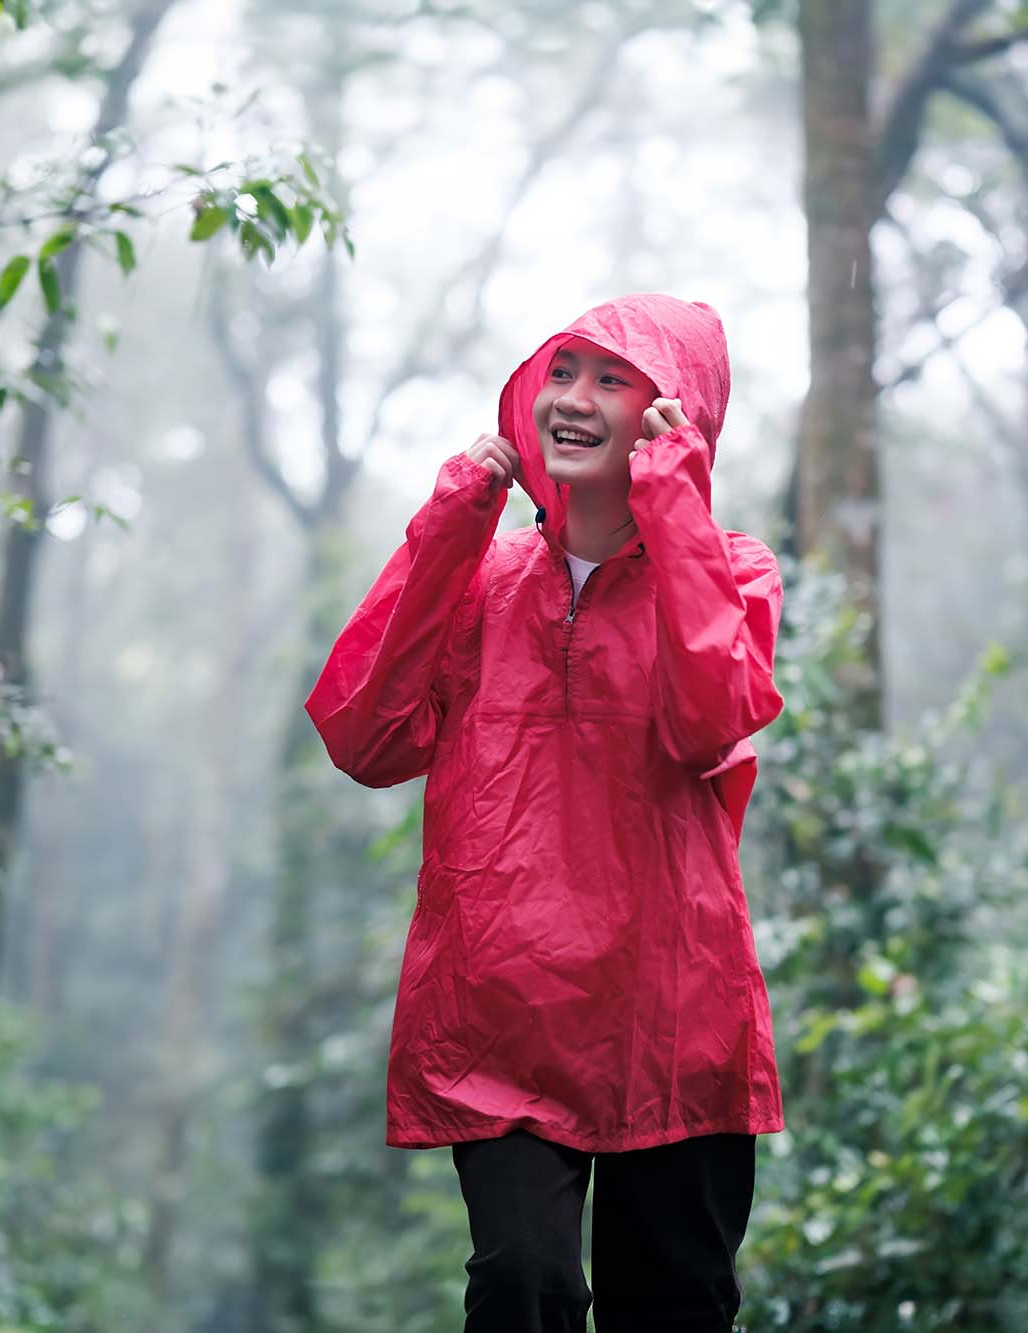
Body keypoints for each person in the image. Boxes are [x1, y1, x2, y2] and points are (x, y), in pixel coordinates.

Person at [305, 292, 786, 1332]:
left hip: (674, 1014)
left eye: (609, 378)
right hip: (503, 1019)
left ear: (674, 415)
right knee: (523, 1284)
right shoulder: (479, 575)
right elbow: (364, 738)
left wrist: (675, 510)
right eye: (561, 372)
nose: (570, 398)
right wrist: (449, 523)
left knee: (675, 1307)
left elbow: (710, 720)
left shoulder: (733, 570)